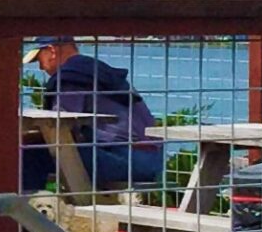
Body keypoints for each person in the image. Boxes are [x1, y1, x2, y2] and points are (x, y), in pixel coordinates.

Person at [21, 37, 166, 194]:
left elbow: (59, 127)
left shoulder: (70, 78)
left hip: (127, 160)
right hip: (152, 160)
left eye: (39, 59)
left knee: (30, 154)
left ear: (52, 51)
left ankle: (24, 211)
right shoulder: (95, 71)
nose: (41, 67)